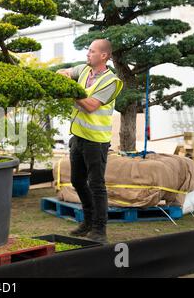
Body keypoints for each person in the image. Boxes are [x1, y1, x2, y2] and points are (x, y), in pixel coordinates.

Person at [56, 39, 123, 243]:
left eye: (92, 51)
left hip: (96, 141)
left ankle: (99, 229)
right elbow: (63, 72)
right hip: (78, 137)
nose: (88, 54)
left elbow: (91, 106)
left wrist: (70, 89)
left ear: (103, 56)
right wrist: (65, 75)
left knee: (96, 184)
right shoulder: (84, 70)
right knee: (77, 180)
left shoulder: (112, 82)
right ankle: (88, 221)